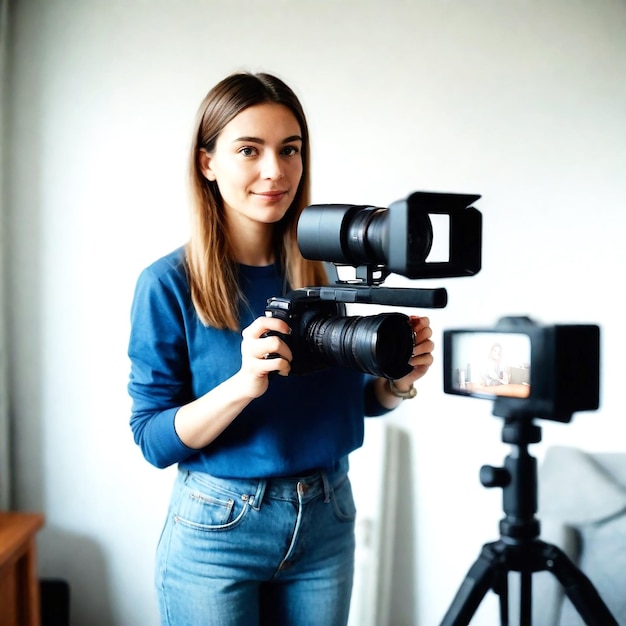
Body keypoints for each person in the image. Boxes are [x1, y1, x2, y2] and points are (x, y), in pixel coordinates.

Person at [127, 71, 434, 626]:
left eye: (289, 149)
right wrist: (241, 387)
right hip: (218, 530)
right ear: (207, 163)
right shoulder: (169, 283)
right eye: (249, 149)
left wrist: (398, 382)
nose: (276, 170)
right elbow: (152, 439)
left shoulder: (324, 272)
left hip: (327, 516)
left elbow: (349, 402)